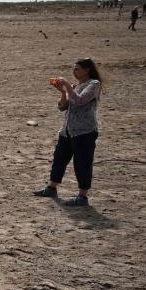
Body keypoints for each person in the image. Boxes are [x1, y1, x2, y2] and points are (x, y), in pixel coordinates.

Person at [33, 58, 103, 207]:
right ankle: (52, 187)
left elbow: (80, 101)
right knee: (59, 159)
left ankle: (82, 196)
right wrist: (63, 92)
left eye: (77, 69)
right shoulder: (76, 85)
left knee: (82, 163)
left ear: (87, 70)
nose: (74, 72)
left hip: (84, 132)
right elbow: (62, 107)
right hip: (67, 131)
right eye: (74, 69)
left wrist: (66, 85)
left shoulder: (94, 85)